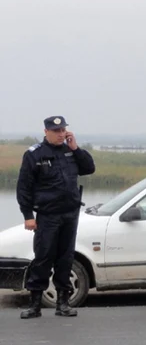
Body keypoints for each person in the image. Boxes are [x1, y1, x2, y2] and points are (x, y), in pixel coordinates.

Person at [16, 116, 96, 319]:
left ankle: (63, 303)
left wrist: (76, 147)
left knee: (66, 258)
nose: (61, 134)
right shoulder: (35, 154)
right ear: (46, 131)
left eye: (63, 130)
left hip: (70, 214)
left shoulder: (70, 151)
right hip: (47, 215)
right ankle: (35, 304)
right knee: (43, 257)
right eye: (56, 131)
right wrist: (28, 215)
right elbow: (24, 187)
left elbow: (89, 168)